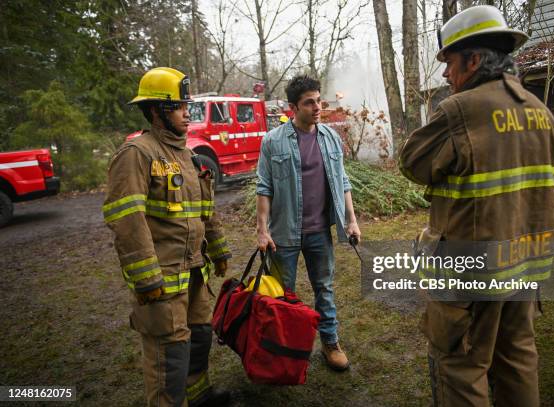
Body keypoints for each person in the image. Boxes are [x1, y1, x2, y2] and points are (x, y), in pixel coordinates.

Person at [399, 6, 554, 407]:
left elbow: (413, 163)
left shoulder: (461, 111)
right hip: (525, 264)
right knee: (518, 358)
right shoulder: (543, 114)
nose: (444, 74)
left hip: (473, 273)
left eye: (449, 62)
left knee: (462, 367)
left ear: (474, 60)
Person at [103, 67, 232, 407]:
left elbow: (206, 209)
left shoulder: (188, 156)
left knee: (200, 336)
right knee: (169, 353)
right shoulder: (137, 154)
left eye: (186, 104)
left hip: (193, 272)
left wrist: (219, 252)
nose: (188, 112)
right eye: (178, 106)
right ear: (157, 111)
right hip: (162, 279)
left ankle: (199, 395)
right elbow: (126, 220)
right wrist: (146, 278)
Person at [255, 74, 361, 371]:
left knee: (324, 289)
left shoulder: (330, 138)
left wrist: (351, 221)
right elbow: (264, 187)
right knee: (283, 297)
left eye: (319, 100)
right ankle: (284, 351)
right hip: (284, 234)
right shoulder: (272, 141)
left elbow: (342, 181)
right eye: (309, 102)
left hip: (319, 233)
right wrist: (262, 231)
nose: (317, 107)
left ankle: (330, 342)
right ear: (293, 107)